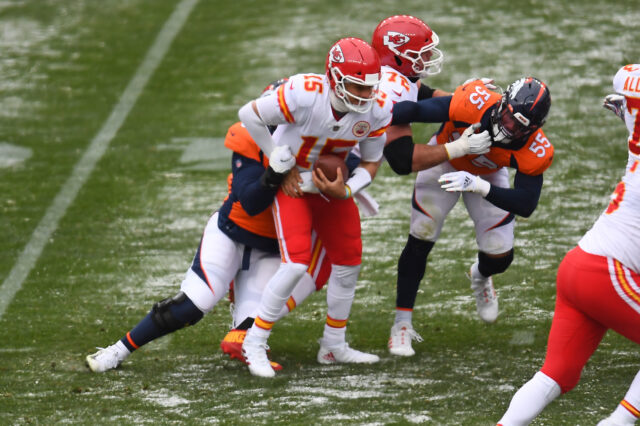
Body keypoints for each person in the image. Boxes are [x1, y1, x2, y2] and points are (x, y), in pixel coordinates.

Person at [85, 80, 328, 373]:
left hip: (274, 248)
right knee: (191, 306)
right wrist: (276, 173)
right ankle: (119, 349)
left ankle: (246, 324)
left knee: (273, 304)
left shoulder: (320, 143)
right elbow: (251, 201)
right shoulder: (248, 138)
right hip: (232, 234)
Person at [235, 37, 399, 378]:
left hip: (329, 185)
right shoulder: (305, 92)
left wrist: (347, 189)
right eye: (357, 86)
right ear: (335, 78)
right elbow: (247, 115)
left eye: (370, 87)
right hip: (292, 183)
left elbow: (371, 162)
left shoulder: (378, 108)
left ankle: (333, 345)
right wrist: (277, 158)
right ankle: (253, 342)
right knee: (295, 264)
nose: (366, 95)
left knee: (349, 262)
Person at [497, 64, 640, 426]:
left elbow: (627, 82)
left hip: (579, 266)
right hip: (605, 271)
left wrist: (628, 109)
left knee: (557, 374)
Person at [389, 76, 553, 356]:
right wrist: (375, 107)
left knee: (500, 256)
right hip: (445, 160)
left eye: (517, 125)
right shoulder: (473, 102)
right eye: (506, 116)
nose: (507, 126)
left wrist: (480, 185)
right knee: (421, 234)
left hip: (487, 175)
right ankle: (401, 324)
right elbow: (414, 111)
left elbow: (526, 203)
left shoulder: (536, 149)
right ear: (501, 103)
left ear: (534, 129)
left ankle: (480, 276)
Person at [366, 15, 494, 356]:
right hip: (328, 174)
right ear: (396, 54)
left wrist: (469, 102)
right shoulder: (388, 87)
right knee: (318, 263)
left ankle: (333, 341)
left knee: (335, 263)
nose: (427, 58)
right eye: (421, 52)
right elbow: (401, 160)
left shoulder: (396, 76)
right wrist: (460, 146)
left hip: (347, 174)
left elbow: (421, 93)